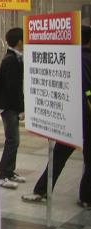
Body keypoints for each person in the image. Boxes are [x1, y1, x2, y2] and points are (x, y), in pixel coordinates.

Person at [22, 25, 91, 208]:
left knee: (58, 156)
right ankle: (86, 197)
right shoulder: (85, 59)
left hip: (69, 117)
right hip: (86, 117)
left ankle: (41, 190)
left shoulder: (70, 58)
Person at [0, 27, 26, 189]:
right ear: (19, 41)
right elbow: (13, 88)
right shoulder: (11, 60)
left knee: (13, 140)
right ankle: (4, 174)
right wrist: (20, 109)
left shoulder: (13, 58)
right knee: (12, 140)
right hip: (8, 106)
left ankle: (9, 171)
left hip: (8, 105)